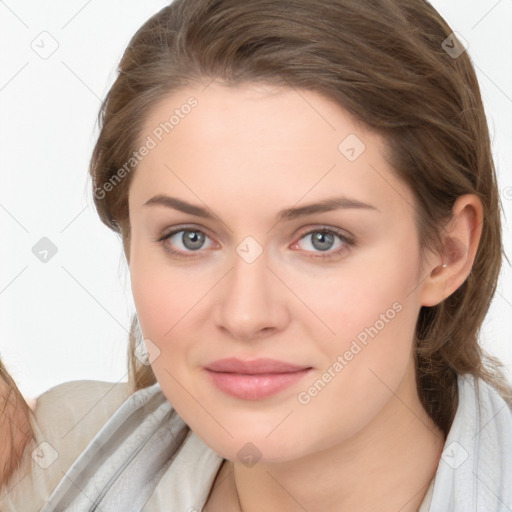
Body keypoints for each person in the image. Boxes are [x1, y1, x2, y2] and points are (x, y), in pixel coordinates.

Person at [1, 0, 512, 510]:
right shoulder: (49, 459)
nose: (246, 314)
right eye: (190, 237)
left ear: (448, 252)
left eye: (321, 239)